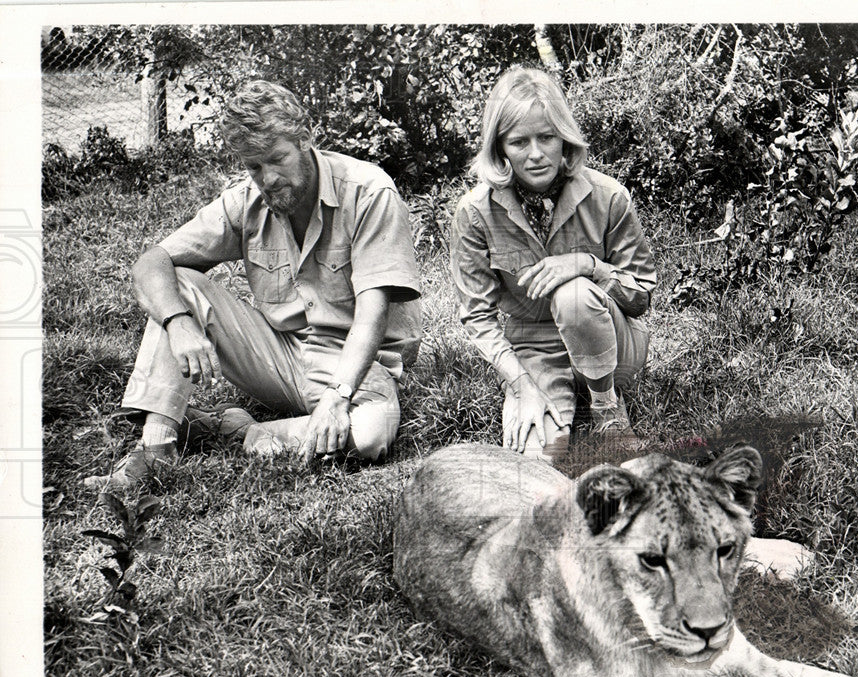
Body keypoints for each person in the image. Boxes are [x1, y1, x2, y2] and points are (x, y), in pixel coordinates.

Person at [84, 80, 421, 489]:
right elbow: (151, 262)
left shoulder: (369, 192)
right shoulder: (246, 199)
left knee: (369, 435)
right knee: (181, 282)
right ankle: (156, 449)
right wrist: (179, 323)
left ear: (306, 139)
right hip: (278, 355)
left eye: (278, 159)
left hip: (354, 363)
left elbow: (372, 314)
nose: (269, 178)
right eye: (253, 166)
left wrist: (338, 394)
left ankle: (236, 431)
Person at [450, 67, 656, 462]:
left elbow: (641, 296)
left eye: (546, 137)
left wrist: (589, 265)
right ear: (500, 148)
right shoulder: (475, 212)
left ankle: (608, 411)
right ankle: (549, 402)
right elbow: (478, 317)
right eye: (519, 141)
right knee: (539, 456)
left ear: (565, 138)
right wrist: (520, 383)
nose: (536, 154)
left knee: (574, 294)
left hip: (614, 345)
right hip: (534, 348)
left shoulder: (608, 196)